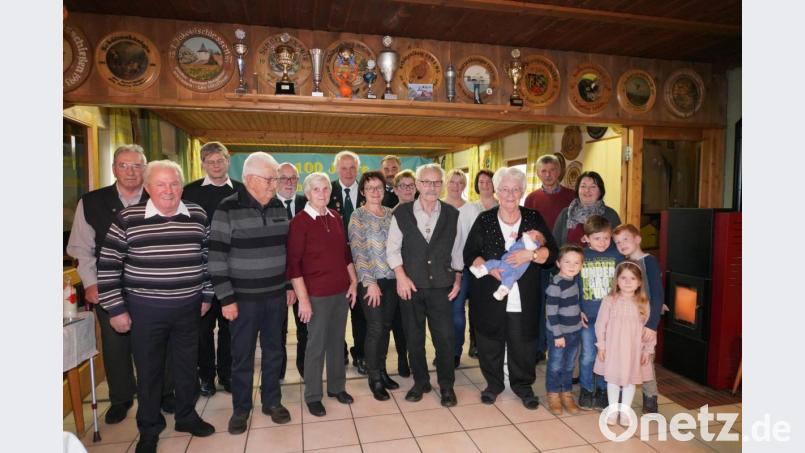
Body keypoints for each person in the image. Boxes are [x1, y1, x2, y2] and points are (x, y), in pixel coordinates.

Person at [97, 160, 215, 453]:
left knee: (188, 367)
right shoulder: (128, 218)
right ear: (148, 188)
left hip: (189, 307)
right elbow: (108, 266)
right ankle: (149, 428)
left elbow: (208, 258)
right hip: (145, 310)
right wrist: (116, 309)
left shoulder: (197, 214)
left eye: (174, 183)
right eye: (161, 184)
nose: (169, 190)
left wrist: (207, 296)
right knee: (149, 372)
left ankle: (186, 416)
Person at [66, 144, 170, 424]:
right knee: (115, 345)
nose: (131, 171)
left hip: (151, 288)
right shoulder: (92, 201)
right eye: (124, 165)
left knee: (157, 344)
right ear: (114, 169)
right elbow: (81, 249)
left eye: (137, 166)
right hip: (110, 288)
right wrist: (90, 282)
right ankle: (121, 398)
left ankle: (164, 393)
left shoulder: (158, 198)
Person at [209, 152, 294, 433]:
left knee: (274, 352)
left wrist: (290, 286)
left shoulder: (279, 207)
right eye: (270, 179)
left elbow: (289, 252)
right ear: (249, 180)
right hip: (242, 300)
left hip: (275, 297)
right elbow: (217, 257)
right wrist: (227, 298)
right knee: (242, 356)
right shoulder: (227, 208)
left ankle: (272, 401)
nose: (274, 184)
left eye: (276, 179)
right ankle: (241, 409)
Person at [463, 167, 557, 409]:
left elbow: (552, 253)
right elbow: (470, 253)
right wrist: (487, 266)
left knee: (523, 341)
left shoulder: (533, 218)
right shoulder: (484, 219)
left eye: (515, 189)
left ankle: (523, 386)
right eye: (504, 189)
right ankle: (493, 385)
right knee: (490, 340)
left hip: (524, 295)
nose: (509, 194)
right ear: (496, 191)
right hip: (490, 293)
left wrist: (531, 254)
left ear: (522, 191)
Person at [387, 163, 463, 407]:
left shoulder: (453, 214)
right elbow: (392, 249)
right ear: (418, 185)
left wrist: (458, 278)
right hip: (411, 286)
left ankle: (447, 385)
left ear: (441, 185)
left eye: (436, 182)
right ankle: (420, 382)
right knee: (414, 338)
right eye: (426, 182)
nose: (431, 187)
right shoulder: (401, 213)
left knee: (445, 338)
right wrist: (400, 276)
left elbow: (458, 250)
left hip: (442, 286)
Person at [287, 172, 358, 417]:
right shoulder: (299, 222)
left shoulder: (336, 217)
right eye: (316, 189)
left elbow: (345, 255)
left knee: (337, 343)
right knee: (315, 346)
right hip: (315, 295)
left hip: (340, 292)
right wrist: (303, 300)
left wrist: (354, 282)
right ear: (307, 193)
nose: (322, 193)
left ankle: (337, 387)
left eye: (326, 189)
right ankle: (313, 395)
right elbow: (294, 265)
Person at [182, 141, 245, 397]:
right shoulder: (189, 193)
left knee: (231, 327)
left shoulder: (243, 191)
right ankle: (205, 376)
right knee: (203, 330)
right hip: (201, 274)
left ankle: (227, 374)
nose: (216, 165)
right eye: (210, 162)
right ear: (202, 164)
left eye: (220, 160)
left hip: (234, 273)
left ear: (228, 161)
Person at [348, 171, 401, 401]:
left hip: (392, 280)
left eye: (379, 187)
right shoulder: (357, 216)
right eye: (370, 188)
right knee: (375, 328)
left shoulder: (391, 214)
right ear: (362, 192)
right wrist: (369, 283)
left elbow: (399, 246)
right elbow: (358, 253)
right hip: (370, 282)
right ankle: (374, 378)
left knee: (386, 327)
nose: (376, 192)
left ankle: (382, 370)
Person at [594, 261, 656, 426]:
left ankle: (625, 411)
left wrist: (647, 350)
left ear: (639, 282)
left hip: (634, 351)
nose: (628, 282)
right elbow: (600, 324)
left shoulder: (644, 303)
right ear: (617, 280)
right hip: (614, 349)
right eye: (623, 278)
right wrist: (602, 345)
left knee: (630, 381)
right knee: (613, 379)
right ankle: (613, 411)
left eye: (633, 278)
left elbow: (649, 330)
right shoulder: (610, 300)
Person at [612, 224, 665, 414]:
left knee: (645, 361)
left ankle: (650, 399)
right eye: (617, 242)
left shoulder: (648, 261)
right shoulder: (621, 263)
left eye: (625, 239)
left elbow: (658, 295)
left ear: (638, 239)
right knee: (623, 356)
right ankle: (619, 397)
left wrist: (652, 325)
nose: (621, 244)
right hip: (625, 321)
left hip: (645, 321)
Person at [577, 215, 623, 411]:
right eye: (596, 238)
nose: (602, 242)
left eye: (606, 237)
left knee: (607, 355)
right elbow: (573, 285)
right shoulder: (580, 256)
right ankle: (586, 389)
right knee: (588, 355)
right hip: (588, 316)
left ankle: (603, 390)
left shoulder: (617, 256)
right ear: (586, 238)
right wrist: (578, 309)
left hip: (611, 318)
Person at [328, 150, 367, 374]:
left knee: (360, 312)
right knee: (337, 311)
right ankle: (339, 350)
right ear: (336, 169)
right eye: (344, 168)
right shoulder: (327, 190)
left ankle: (360, 354)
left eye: (352, 167)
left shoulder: (367, 189)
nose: (349, 172)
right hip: (335, 262)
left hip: (362, 263)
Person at [457, 169, 498, 359]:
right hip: (474, 265)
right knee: (476, 304)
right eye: (481, 182)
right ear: (476, 185)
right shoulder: (469, 208)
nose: (485, 185)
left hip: (498, 265)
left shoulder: (502, 205)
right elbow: (463, 236)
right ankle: (475, 341)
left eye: (489, 181)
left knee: (493, 304)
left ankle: (493, 340)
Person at [275, 162, 308, 380]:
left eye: (293, 178)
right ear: (275, 180)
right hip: (276, 282)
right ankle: (277, 374)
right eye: (284, 178)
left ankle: (307, 372)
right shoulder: (266, 205)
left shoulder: (308, 203)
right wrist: (287, 284)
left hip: (304, 281)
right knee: (277, 332)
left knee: (306, 330)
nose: (289, 182)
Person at [544, 244, 584, 416]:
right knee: (555, 365)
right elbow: (551, 313)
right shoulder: (556, 285)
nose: (572, 266)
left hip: (575, 331)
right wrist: (557, 335)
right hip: (558, 334)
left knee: (568, 366)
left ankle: (566, 394)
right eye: (567, 261)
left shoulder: (573, 281)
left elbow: (571, 303)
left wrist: (579, 313)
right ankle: (553, 395)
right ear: (558, 263)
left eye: (577, 262)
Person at [469, 229, 545, 300]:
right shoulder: (521, 241)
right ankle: (480, 271)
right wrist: (512, 239)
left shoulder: (534, 245)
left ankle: (502, 291)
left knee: (509, 279)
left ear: (537, 239)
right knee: (492, 262)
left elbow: (530, 246)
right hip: (504, 262)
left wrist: (525, 236)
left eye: (532, 232)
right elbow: (509, 247)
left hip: (514, 269)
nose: (529, 231)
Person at [442, 169, 469, 367]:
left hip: (463, 269)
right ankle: (443, 350)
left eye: (460, 182)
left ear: (464, 185)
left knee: (457, 313)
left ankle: (455, 351)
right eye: (452, 182)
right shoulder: (437, 205)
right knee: (440, 314)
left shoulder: (471, 209)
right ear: (446, 183)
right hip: (439, 268)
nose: (455, 186)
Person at [553, 171, 621, 246]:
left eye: (593, 187)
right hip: (568, 257)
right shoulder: (566, 213)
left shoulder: (610, 215)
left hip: (600, 258)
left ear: (600, 191)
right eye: (583, 186)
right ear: (577, 189)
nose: (587, 190)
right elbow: (555, 243)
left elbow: (617, 244)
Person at [524, 154, 576, 230]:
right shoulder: (531, 199)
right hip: (540, 242)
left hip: (566, 242)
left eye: (552, 170)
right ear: (538, 174)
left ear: (559, 172)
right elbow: (527, 227)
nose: (548, 175)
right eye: (543, 171)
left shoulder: (572, 196)